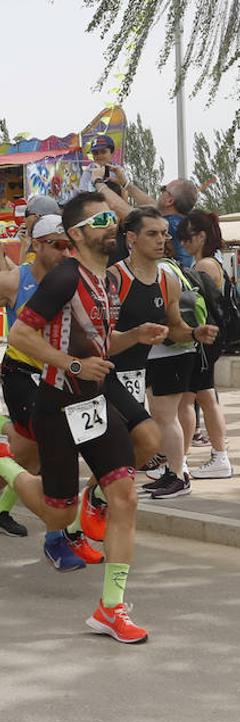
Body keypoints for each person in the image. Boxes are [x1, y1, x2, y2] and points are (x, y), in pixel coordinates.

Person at [0, 191, 167, 643]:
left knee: (125, 495)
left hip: (93, 404)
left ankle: (110, 609)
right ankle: (0, 460)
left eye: (112, 219)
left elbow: (98, 345)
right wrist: (72, 366)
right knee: (57, 518)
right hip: (58, 406)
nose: (111, 226)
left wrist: (133, 334)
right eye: (100, 221)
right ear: (76, 234)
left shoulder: (108, 282)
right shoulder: (65, 277)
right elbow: (20, 332)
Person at [0, 216, 77, 545]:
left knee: (29, 459)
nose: (65, 253)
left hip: (58, 376)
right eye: (57, 245)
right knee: (48, 452)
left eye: (69, 246)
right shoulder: (16, 280)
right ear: (37, 245)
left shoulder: (73, 279)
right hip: (22, 373)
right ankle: (59, 539)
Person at [115, 208, 218, 499]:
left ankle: (176, 474)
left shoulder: (167, 279)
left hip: (149, 362)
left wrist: (195, 333)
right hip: (113, 365)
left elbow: (176, 328)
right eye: (153, 233)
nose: (162, 239)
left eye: (164, 233)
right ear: (132, 238)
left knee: (159, 418)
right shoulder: (115, 278)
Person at [178, 211, 233, 479]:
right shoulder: (213, 263)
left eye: (187, 238)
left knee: (190, 400)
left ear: (201, 236)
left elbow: (200, 308)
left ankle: (182, 461)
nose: (183, 244)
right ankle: (195, 459)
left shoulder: (204, 267)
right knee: (202, 398)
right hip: (209, 341)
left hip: (203, 341)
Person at [94, 173, 199, 268]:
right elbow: (152, 205)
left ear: (170, 200)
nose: (160, 192)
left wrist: (97, 181)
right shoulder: (179, 222)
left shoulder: (169, 225)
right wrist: (126, 184)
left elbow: (120, 208)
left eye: (163, 189)